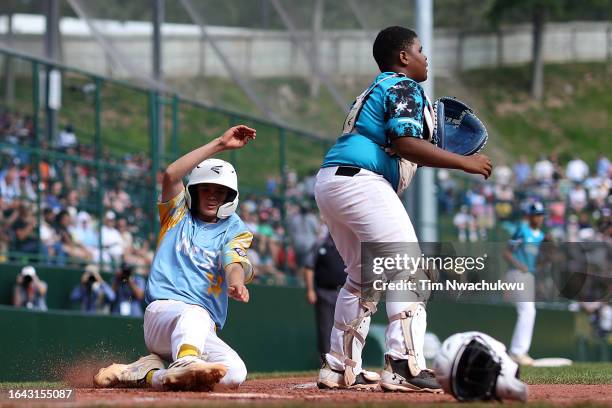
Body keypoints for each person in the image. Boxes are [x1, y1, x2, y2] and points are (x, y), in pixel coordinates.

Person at [314, 26, 492, 392]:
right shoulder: (404, 86)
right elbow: (407, 144)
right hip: (361, 183)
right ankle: (404, 366)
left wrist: (428, 149)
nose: (426, 57)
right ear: (403, 57)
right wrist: (464, 163)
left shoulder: (375, 90)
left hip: (332, 182)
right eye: (420, 50)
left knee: (362, 278)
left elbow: (401, 147)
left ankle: (339, 368)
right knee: (411, 268)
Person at [93, 125, 257, 391]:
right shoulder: (177, 214)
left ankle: (146, 373)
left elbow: (234, 262)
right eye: (206, 189)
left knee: (233, 373)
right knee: (195, 312)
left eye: (220, 191)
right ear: (195, 191)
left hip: (198, 330)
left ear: (230, 197)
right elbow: (171, 174)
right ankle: (185, 361)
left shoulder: (235, 229)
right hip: (162, 315)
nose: (213, 196)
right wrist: (220, 143)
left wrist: (237, 282)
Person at [503, 202, 546, 366]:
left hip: (529, 276)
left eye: (541, 214)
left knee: (529, 311)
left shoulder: (540, 236)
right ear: (529, 215)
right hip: (517, 274)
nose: (539, 217)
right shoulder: (522, 230)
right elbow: (506, 252)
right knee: (527, 310)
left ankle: (519, 351)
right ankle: (517, 352)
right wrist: (519, 265)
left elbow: (538, 261)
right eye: (536, 214)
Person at [304, 232, 347, 364]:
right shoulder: (320, 244)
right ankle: (327, 363)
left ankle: (345, 362)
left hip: (344, 293)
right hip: (324, 292)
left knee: (346, 328)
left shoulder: (346, 245)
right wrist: (310, 290)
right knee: (326, 328)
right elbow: (309, 267)